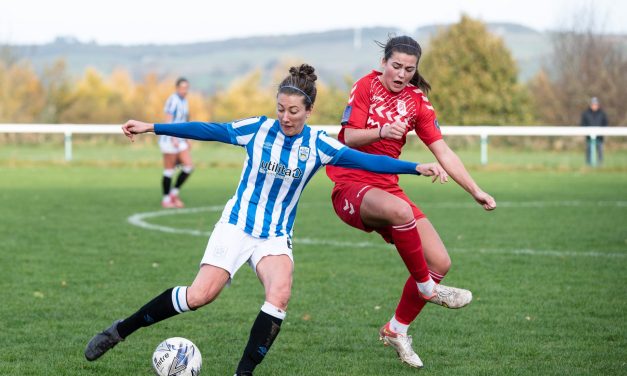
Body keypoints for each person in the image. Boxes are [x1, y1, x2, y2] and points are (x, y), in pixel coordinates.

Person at [84, 64, 450, 376]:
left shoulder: (320, 145)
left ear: (309, 111)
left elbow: (368, 161)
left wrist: (415, 167)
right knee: (199, 296)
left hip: (275, 236)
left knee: (280, 294)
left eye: (293, 111)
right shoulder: (257, 129)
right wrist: (152, 127)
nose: (285, 117)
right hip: (238, 224)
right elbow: (208, 129)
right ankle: (120, 330)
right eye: (281, 109)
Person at [326, 36, 497, 368]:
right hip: (350, 185)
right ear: (384, 63)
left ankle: (396, 329)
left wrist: (475, 189)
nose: (401, 74)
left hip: (388, 187)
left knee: (440, 262)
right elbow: (347, 137)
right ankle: (428, 290)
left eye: (409, 68)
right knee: (401, 212)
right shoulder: (365, 86)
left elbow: (442, 150)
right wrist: (380, 132)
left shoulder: (417, 101)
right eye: (396, 66)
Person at [160, 77, 194, 208]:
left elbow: (185, 121)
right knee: (169, 170)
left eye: (187, 88)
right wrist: (173, 138)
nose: (185, 90)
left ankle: (174, 193)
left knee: (188, 167)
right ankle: (166, 199)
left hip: (180, 139)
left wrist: (188, 138)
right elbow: (168, 120)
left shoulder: (185, 101)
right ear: (177, 88)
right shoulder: (172, 100)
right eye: (183, 88)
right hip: (169, 140)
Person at [581, 96, 609, 165]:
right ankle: (588, 164)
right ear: (591, 105)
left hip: (600, 136)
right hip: (589, 136)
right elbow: (582, 124)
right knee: (589, 150)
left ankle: (600, 164)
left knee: (600, 150)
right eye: (593, 104)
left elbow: (605, 123)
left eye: (596, 104)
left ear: (598, 105)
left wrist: (603, 131)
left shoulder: (602, 114)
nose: (594, 106)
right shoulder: (585, 113)